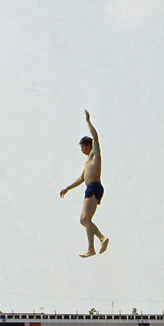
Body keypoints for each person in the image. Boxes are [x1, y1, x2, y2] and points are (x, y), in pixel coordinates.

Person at [60, 110, 109, 258]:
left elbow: (95, 137)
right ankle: (99, 240)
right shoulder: (87, 161)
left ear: (88, 146)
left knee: (86, 219)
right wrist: (67, 188)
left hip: (95, 187)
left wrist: (88, 121)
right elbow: (81, 178)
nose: (81, 149)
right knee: (83, 220)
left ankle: (95, 245)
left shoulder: (95, 154)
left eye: (82, 146)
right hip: (89, 187)